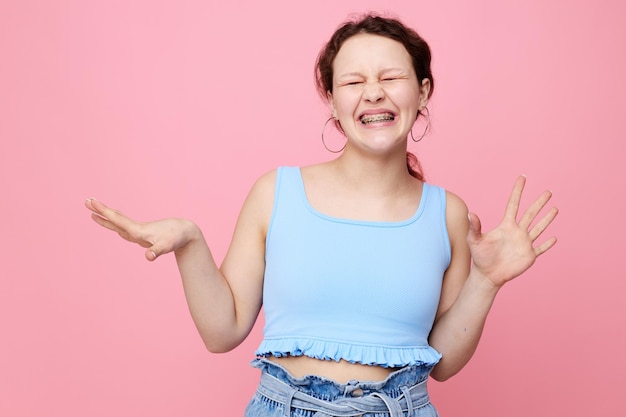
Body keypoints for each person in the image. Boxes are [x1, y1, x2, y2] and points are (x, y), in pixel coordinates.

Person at [85, 13, 558, 417]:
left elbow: (444, 363)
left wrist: (486, 280)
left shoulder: (448, 213)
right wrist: (189, 242)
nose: (373, 93)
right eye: (353, 82)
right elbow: (222, 330)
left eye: (390, 78)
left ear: (423, 91)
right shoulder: (276, 192)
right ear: (332, 100)